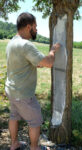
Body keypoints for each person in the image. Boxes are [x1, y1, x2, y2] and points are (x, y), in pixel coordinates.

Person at [5, 12, 60, 150]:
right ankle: (34, 147)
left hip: (10, 90)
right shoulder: (26, 45)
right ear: (28, 26)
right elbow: (48, 63)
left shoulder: (11, 43)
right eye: (35, 26)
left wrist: (36, 63)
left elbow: (23, 61)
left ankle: (14, 144)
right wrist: (52, 51)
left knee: (14, 116)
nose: (36, 29)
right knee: (35, 121)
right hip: (23, 93)